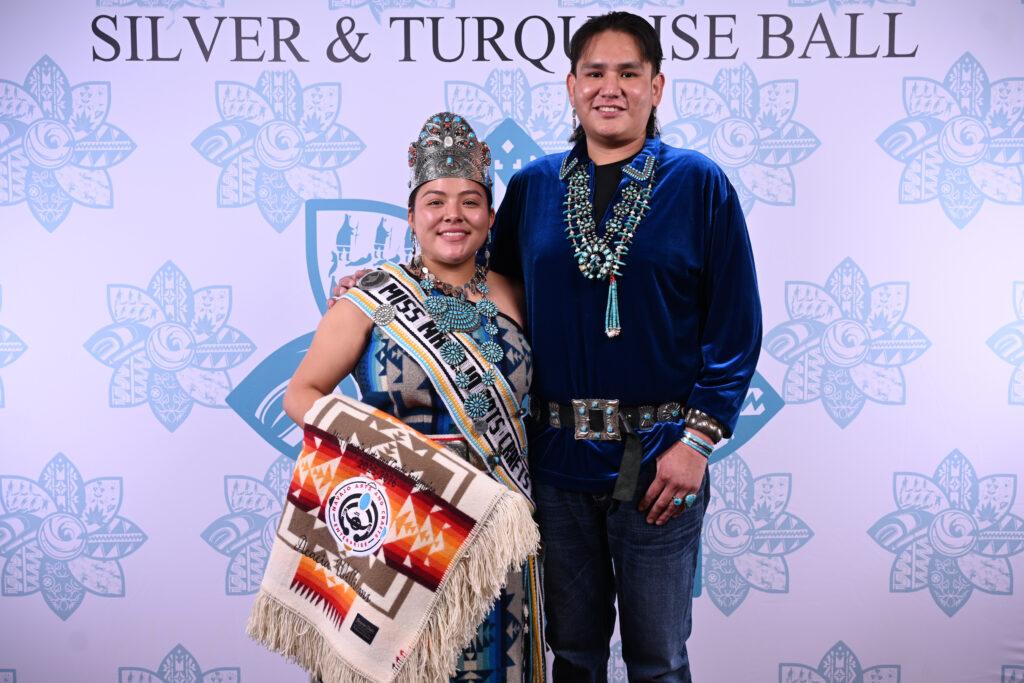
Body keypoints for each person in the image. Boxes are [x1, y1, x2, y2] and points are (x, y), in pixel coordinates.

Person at [335, 12, 762, 681]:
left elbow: (736, 325)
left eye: (628, 73)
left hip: (658, 461)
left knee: (659, 658)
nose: (610, 88)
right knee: (572, 652)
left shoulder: (698, 184)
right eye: (595, 73)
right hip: (555, 465)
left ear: (656, 86)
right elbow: (479, 281)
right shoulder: (535, 186)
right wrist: (391, 283)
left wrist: (697, 444)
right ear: (571, 86)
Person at [287, 112, 543, 682]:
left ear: (490, 217)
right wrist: (380, 449)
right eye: (435, 201)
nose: (453, 214)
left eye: (470, 202)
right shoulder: (371, 296)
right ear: (411, 216)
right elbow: (301, 394)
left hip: (494, 524)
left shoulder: (522, 296)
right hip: (396, 518)